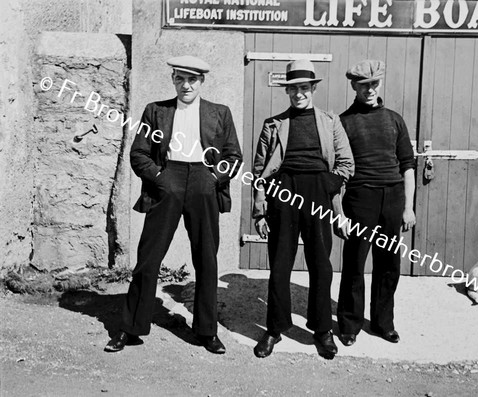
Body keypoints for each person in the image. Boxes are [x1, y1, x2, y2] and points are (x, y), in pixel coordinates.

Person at [104, 55, 242, 354]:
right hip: (168, 182)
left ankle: (207, 331)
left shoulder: (220, 113)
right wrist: (160, 177)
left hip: (204, 184)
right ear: (173, 80)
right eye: (180, 78)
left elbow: (233, 156)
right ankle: (131, 328)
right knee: (148, 259)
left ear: (201, 81)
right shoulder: (156, 111)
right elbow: (138, 153)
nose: (186, 85)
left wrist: (213, 178)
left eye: (192, 79)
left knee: (206, 259)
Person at [252, 59, 354, 359]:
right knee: (280, 265)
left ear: (313, 89)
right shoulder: (274, 124)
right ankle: (274, 328)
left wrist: (328, 185)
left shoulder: (330, 121)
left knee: (321, 264)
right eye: (293, 89)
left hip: (318, 194)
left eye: (304, 88)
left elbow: (347, 164)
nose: (299, 94)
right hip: (283, 192)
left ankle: (322, 330)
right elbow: (259, 172)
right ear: (287, 91)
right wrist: (259, 212)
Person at [335, 60, 416, 347]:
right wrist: (340, 212)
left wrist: (408, 207)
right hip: (361, 198)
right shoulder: (343, 122)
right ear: (353, 86)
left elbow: (408, 166)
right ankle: (348, 324)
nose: (370, 90)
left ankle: (384, 323)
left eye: (374, 84)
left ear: (379, 85)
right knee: (355, 263)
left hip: (392, 198)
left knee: (389, 264)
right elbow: (338, 172)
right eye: (363, 85)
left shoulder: (394, 119)